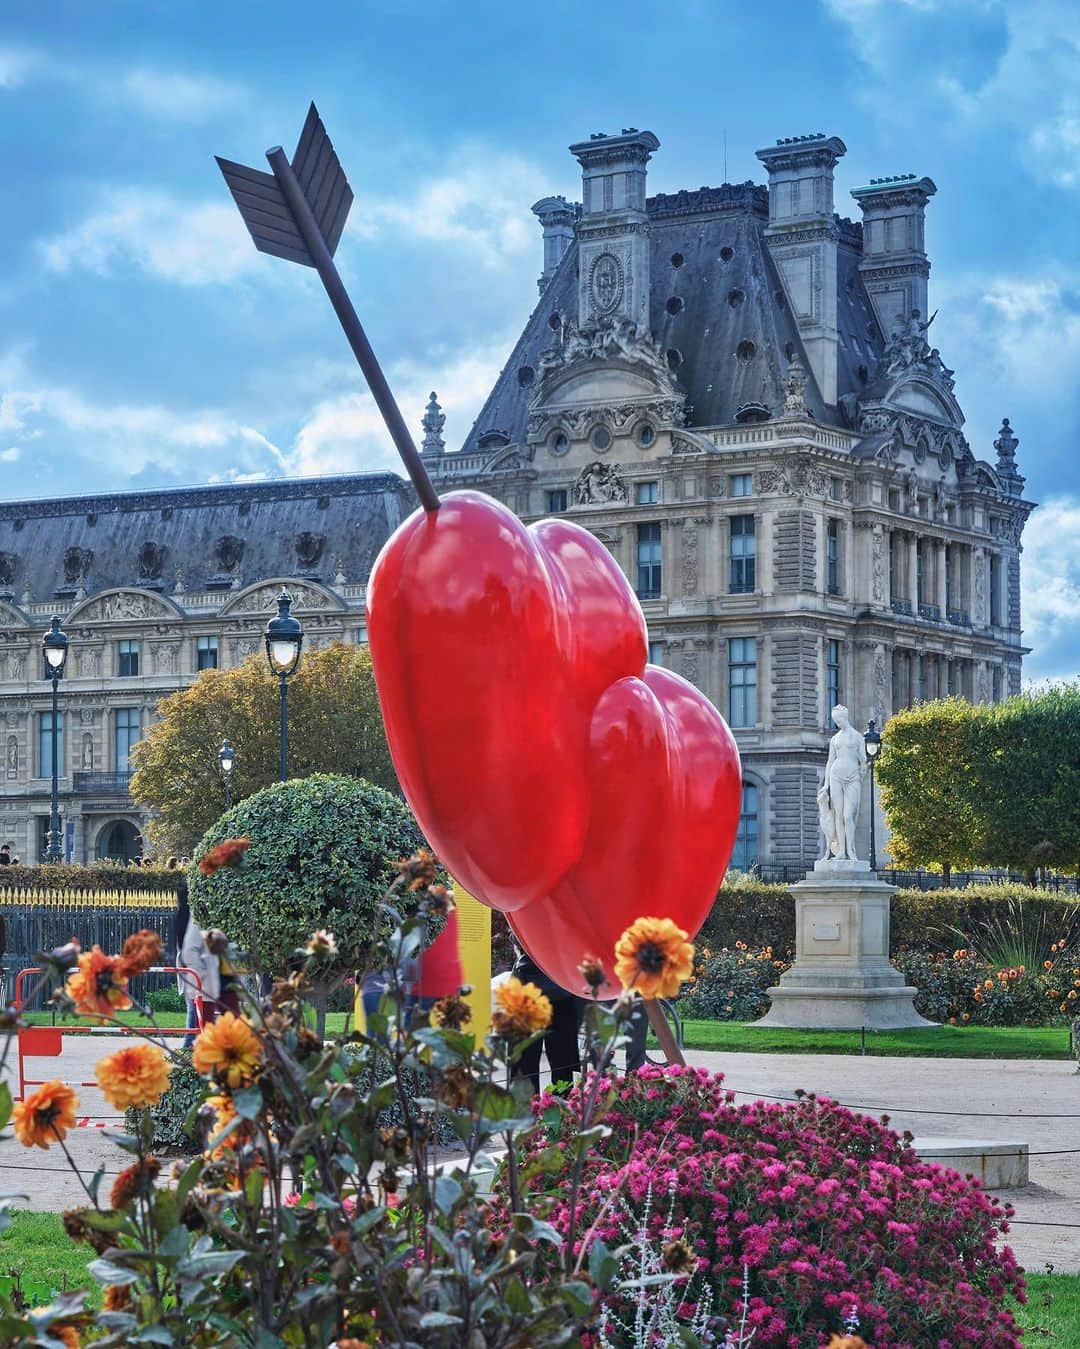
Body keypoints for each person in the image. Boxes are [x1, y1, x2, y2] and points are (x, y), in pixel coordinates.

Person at [512, 947, 583, 1096]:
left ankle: (526, 1110)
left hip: (531, 985)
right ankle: (562, 1108)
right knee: (563, 1061)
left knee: (526, 1062)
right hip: (561, 982)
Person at [174, 879, 219, 1049]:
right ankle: (187, 1050)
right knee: (196, 1014)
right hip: (197, 973)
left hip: (192, 971)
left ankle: (190, 1048)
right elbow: (190, 948)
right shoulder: (193, 916)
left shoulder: (182, 915)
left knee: (195, 1012)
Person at [414, 906, 464, 1013]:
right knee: (451, 1025)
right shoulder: (450, 908)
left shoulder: (418, 908)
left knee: (415, 1025)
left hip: (424, 981)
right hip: (450, 979)